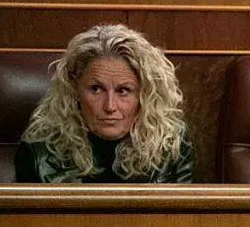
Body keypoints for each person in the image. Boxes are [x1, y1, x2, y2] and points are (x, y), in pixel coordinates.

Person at [15, 23, 194, 184]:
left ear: (144, 94)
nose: (110, 106)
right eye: (96, 89)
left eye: (123, 91)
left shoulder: (171, 142)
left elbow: (180, 219)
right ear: (75, 89)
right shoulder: (38, 150)